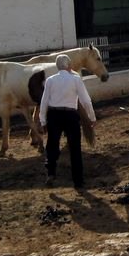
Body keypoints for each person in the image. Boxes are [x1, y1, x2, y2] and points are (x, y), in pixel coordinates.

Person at [39, 54, 96, 190]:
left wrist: (42, 120)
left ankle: (51, 173)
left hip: (54, 115)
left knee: (52, 144)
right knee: (75, 148)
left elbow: (44, 101)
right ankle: (78, 181)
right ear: (69, 65)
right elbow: (86, 101)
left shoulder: (50, 80)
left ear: (57, 66)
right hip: (71, 115)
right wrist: (91, 117)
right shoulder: (76, 80)